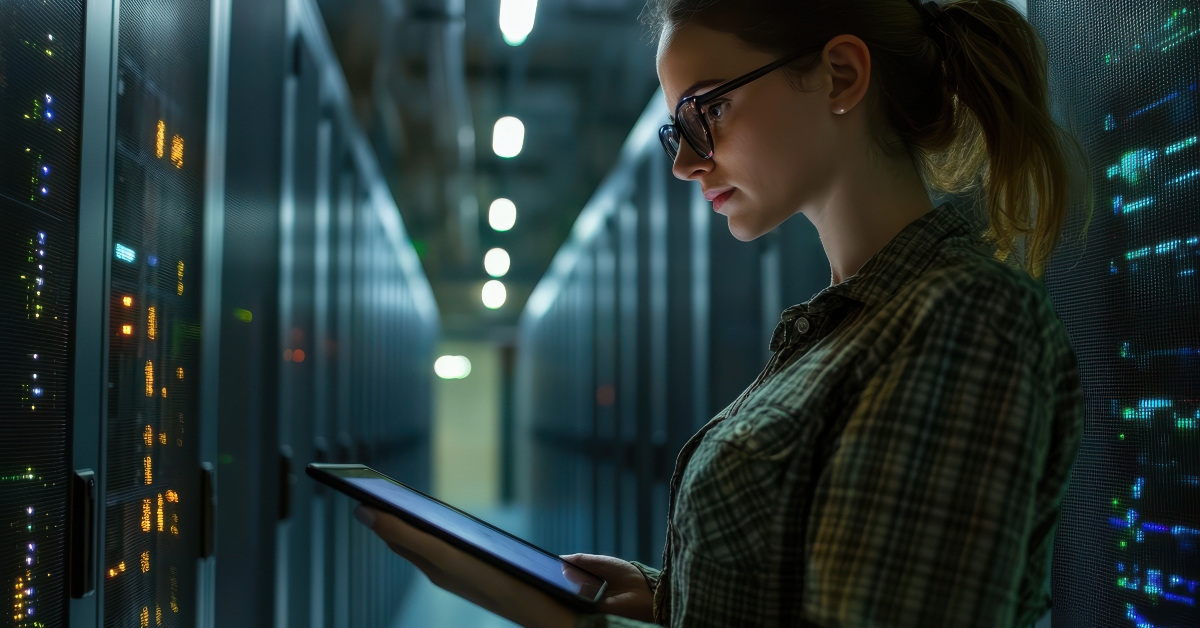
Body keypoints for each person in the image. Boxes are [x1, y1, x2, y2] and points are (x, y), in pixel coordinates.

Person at [352, 0, 1087, 625]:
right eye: (678, 129)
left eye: (707, 111)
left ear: (841, 75)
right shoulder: (843, 324)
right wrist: (675, 595)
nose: (684, 162)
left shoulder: (963, 319)